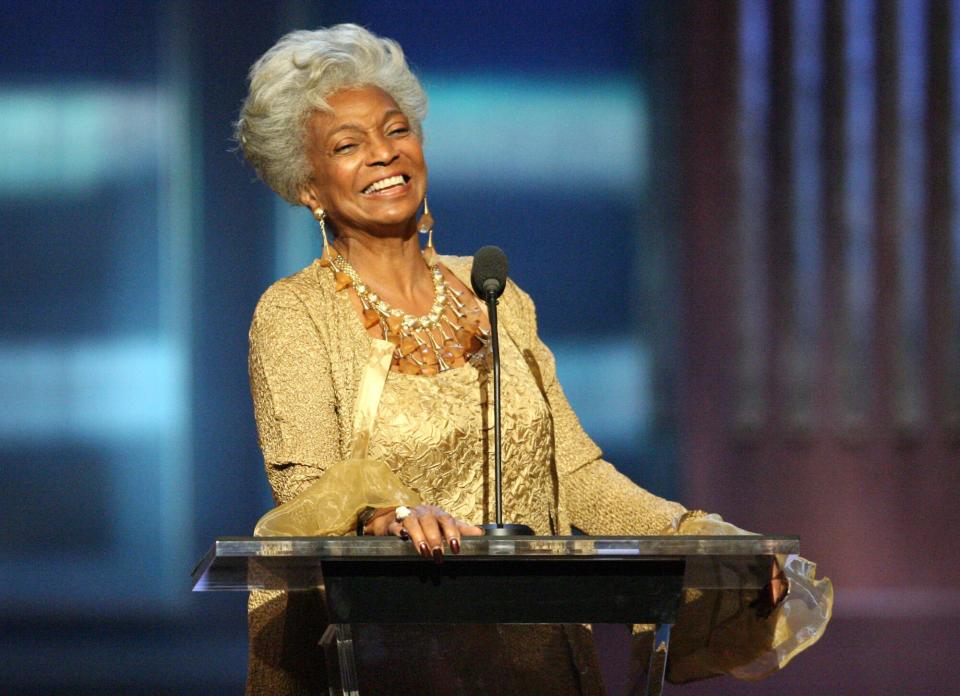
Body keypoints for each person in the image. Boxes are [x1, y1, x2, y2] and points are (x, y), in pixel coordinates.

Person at [235, 24, 831, 695]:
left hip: (538, 658)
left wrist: (701, 536)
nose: (383, 154)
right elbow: (308, 487)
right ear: (308, 187)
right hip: (385, 658)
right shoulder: (294, 312)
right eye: (348, 146)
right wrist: (389, 516)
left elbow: (574, 474)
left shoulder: (498, 296)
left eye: (395, 130)